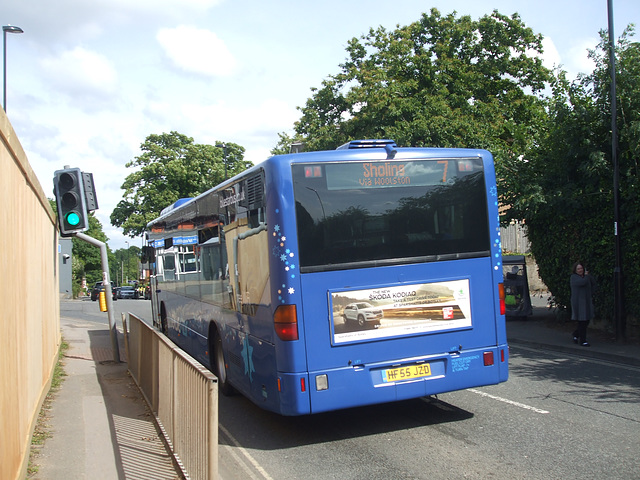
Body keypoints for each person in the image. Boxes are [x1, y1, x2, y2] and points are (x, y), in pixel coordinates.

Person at [570, 262, 597, 346]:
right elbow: (583, 282)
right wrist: (586, 276)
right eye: (578, 269)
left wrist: (591, 292)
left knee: (586, 320)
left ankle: (576, 334)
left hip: (586, 301)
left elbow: (593, 283)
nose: (580, 270)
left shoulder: (586, 277)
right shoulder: (573, 277)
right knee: (582, 321)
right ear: (575, 270)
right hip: (578, 302)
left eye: (581, 268)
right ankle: (583, 341)